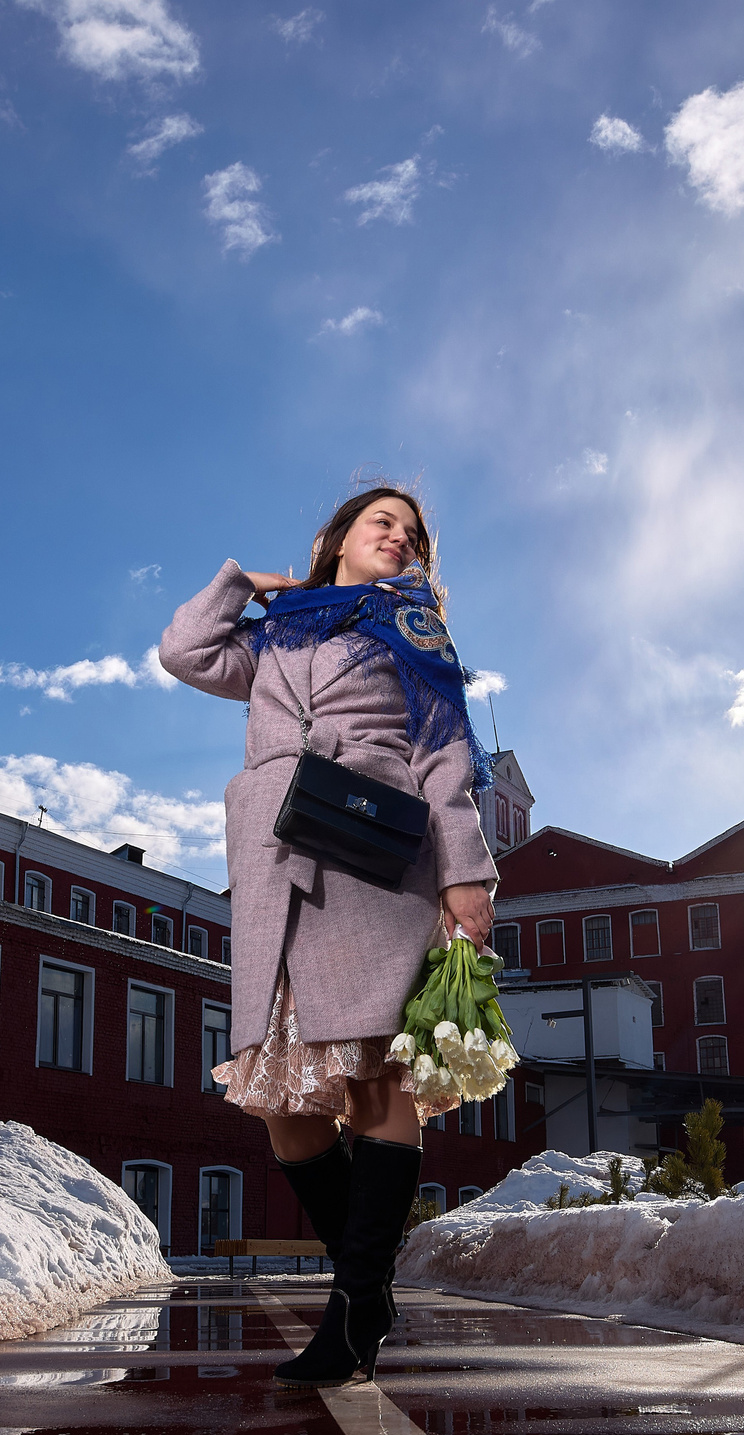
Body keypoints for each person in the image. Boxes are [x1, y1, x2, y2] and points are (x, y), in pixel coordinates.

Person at [159, 485, 498, 1388]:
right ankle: (371, 1283)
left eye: (413, 532)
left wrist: (465, 870)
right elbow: (185, 651)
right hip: (276, 861)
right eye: (382, 521)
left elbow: (446, 760)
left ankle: (352, 1309)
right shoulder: (280, 631)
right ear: (337, 536)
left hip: (374, 853)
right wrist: (239, 584)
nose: (399, 536)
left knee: (371, 1071)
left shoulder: (415, 631)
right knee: (283, 1103)